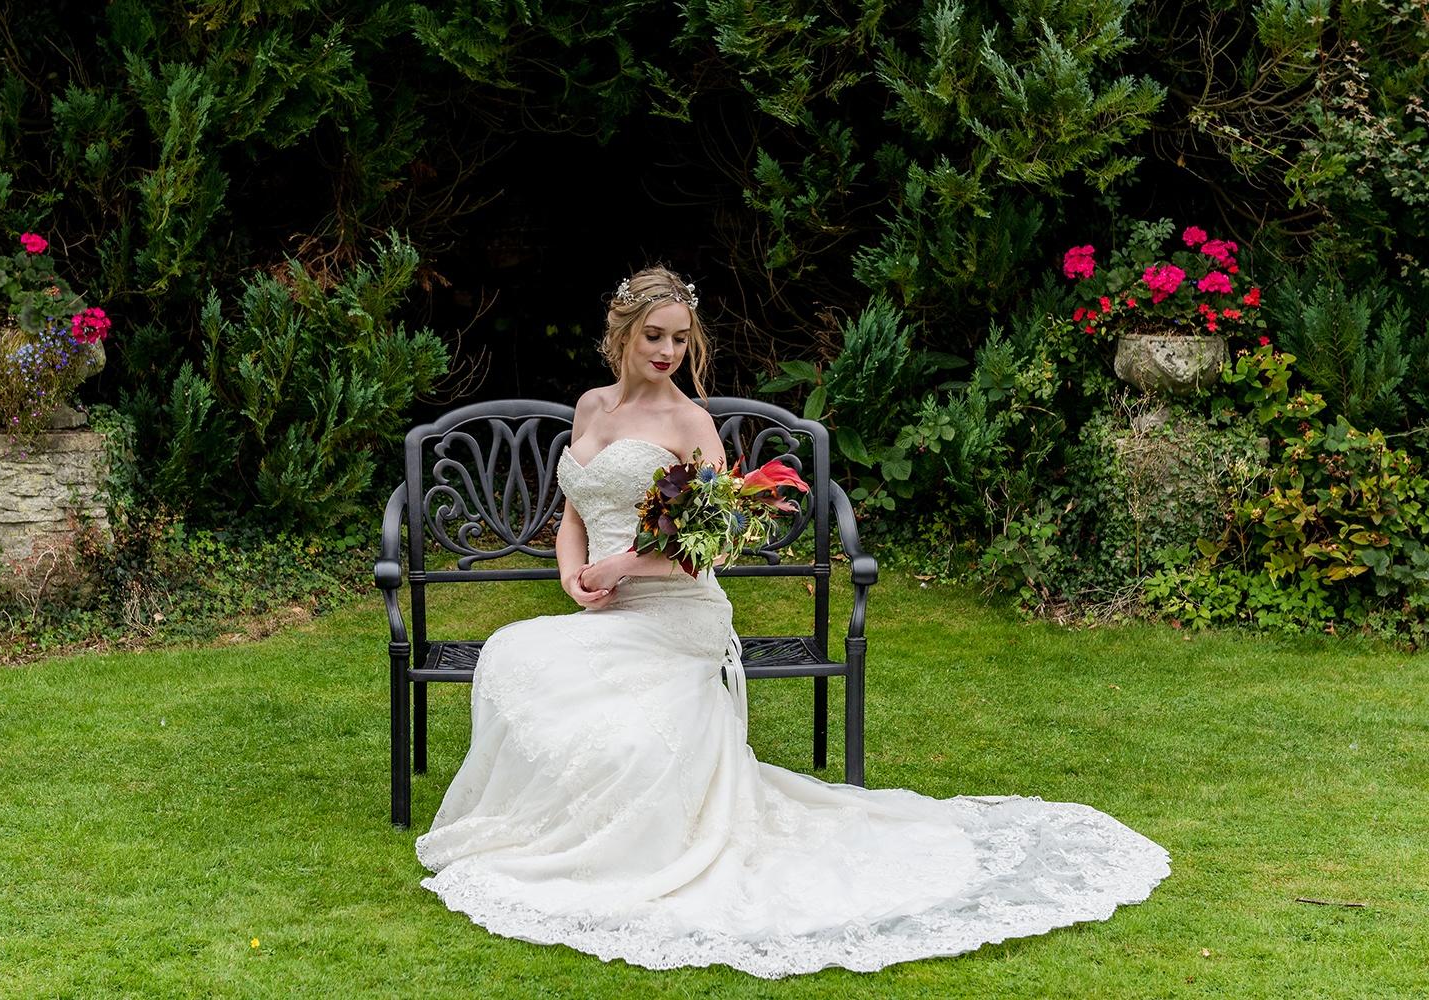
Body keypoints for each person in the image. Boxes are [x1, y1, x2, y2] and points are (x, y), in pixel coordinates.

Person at [416, 265, 1170, 978]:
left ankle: (615, 840)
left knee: (620, 725)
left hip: (676, 611)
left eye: (680, 339)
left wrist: (621, 570)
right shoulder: (589, 407)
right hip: (606, 607)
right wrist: (569, 573)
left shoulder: (690, 423)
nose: (668, 353)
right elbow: (573, 512)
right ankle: (554, 826)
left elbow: (705, 548)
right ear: (622, 332)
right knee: (517, 653)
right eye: (654, 337)